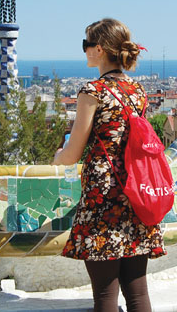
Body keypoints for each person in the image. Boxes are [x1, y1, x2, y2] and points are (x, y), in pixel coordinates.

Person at [52, 18, 165, 312]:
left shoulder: (93, 91)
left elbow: (73, 151)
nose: (85, 50)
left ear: (99, 49)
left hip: (104, 195)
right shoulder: (137, 90)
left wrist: (57, 158)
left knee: (104, 295)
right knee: (138, 293)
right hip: (135, 190)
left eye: (86, 44)